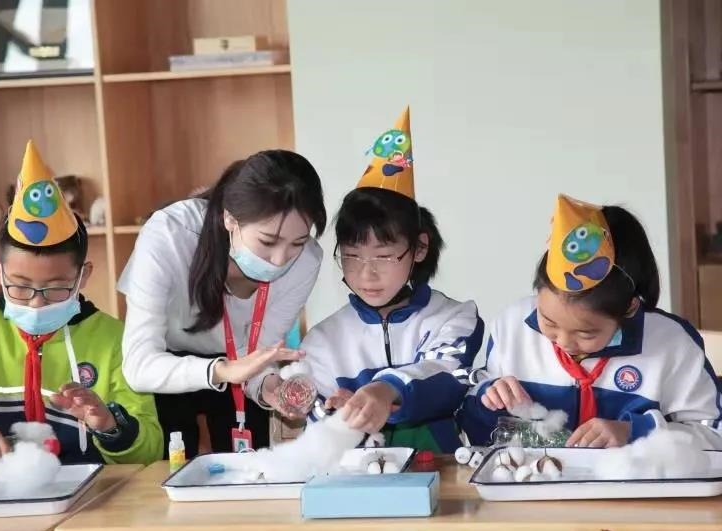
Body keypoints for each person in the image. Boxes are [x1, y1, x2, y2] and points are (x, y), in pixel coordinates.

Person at [0, 141, 162, 475]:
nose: (36, 302)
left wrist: (110, 425)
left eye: (55, 288)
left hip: (87, 497)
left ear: (83, 276)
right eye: (20, 286)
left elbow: (151, 446)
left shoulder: (113, 340)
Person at [460, 194, 722, 449]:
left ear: (629, 308)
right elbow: (475, 431)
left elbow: (714, 435)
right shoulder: (512, 326)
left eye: (585, 334)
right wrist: (487, 398)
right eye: (548, 322)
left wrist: (634, 432)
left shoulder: (671, 343)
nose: (563, 342)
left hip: (638, 480)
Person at [118, 149, 327, 456]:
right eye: (267, 241)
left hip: (238, 369)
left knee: (249, 471)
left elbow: (258, 352)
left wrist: (268, 386)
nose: (280, 259)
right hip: (168, 367)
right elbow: (139, 366)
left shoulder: (306, 260)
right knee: (174, 467)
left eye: (297, 242)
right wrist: (223, 370)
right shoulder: (170, 233)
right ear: (230, 218)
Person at [301, 108, 484, 453]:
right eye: (352, 256)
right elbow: (315, 425)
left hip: (441, 471)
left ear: (419, 248)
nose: (366, 273)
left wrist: (385, 390)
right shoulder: (323, 341)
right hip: (360, 478)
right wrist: (340, 418)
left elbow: (448, 376)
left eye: (384, 256)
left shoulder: (455, 318)